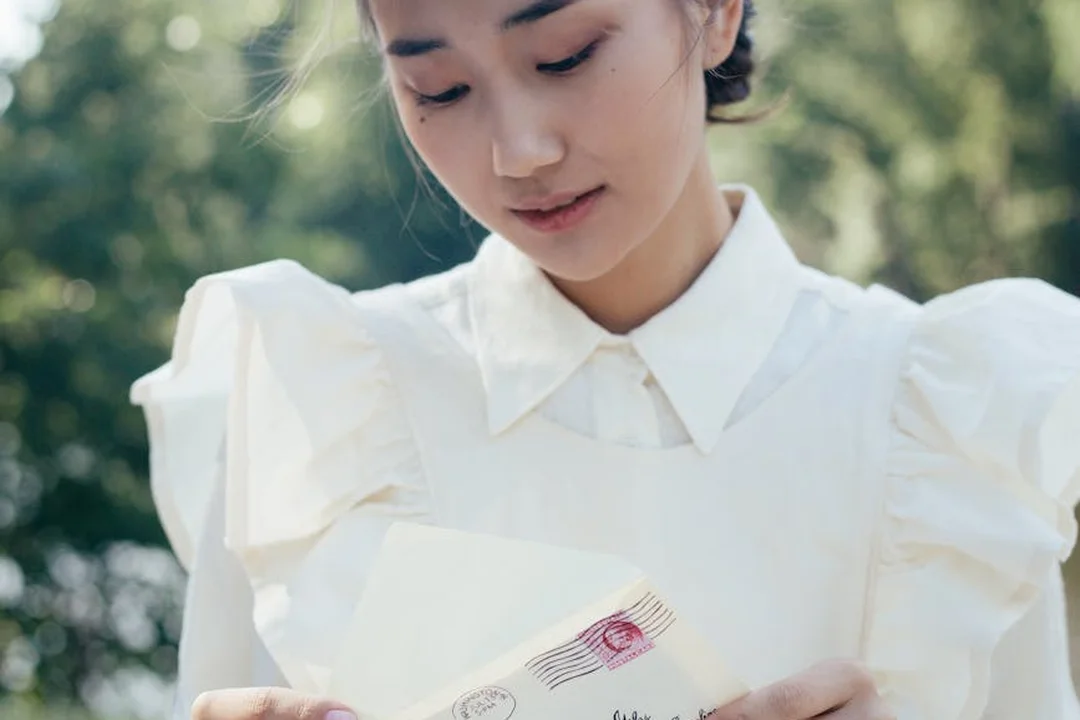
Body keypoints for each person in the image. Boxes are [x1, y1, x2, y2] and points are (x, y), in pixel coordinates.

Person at [129, 0, 1080, 717]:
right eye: (438, 89)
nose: (519, 152)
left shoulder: (952, 419)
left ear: (713, 12)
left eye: (565, 56)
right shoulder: (316, 398)